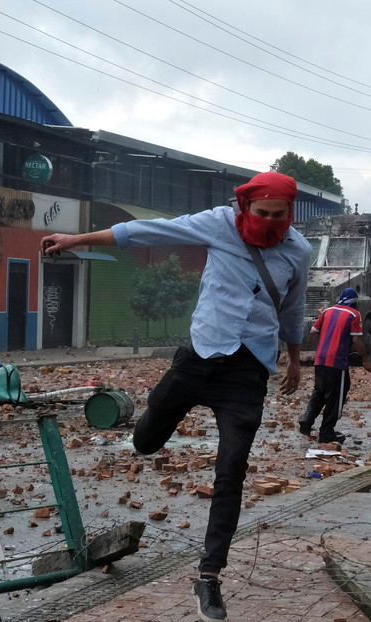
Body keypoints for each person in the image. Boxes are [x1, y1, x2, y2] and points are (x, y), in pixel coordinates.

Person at [41, 171, 311, 622]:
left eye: (276, 215)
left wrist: (297, 358)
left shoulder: (297, 251)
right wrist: (76, 239)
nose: (267, 222)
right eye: (260, 213)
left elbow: (294, 305)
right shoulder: (218, 224)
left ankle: (209, 576)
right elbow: (148, 229)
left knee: (231, 473)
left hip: (247, 371)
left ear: (290, 213)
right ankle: (154, 413)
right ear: (245, 208)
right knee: (146, 442)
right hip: (199, 357)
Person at [299, 288, 371, 444]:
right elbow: (356, 341)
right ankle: (326, 432)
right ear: (355, 302)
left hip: (320, 359)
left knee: (319, 391)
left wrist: (324, 343)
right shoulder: (354, 314)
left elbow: (313, 332)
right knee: (336, 397)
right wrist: (365, 359)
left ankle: (307, 419)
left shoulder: (327, 311)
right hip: (337, 362)